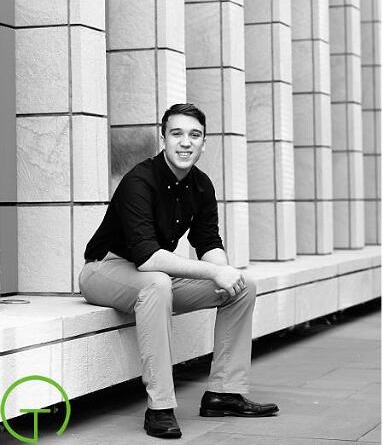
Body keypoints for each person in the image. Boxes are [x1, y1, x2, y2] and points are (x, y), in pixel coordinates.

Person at [80, 103, 278, 439]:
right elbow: (147, 257)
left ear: (204, 143)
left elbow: (208, 242)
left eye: (194, 135)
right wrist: (212, 273)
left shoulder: (201, 186)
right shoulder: (138, 181)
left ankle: (224, 393)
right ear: (164, 139)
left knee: (243, 287)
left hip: (152, 274)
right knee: (156, 284)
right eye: (177, 134)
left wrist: (225, 272)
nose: (185, 142)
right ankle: (159, 407)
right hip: (104, 269)